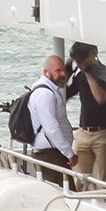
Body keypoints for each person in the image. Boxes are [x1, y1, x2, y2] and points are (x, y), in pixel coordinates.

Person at [66, 42, 106, 186]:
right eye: (77, 62)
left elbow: (101, 98)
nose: (79, 65)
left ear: (93, 56)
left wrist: (89, 74)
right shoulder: (80, 77)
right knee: (79, 180)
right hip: (83, 132)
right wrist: (66, 75)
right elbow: (64, 95)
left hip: (103, 134)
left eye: (81, 61)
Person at [29, 55, 75, 184]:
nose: (62, 74)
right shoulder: (45, 94)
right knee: (66, 196)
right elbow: (51, 128)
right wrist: (69, 153)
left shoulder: (49, 90)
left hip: (52, 152)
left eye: (63, 70)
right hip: (50, 153)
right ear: (46, 72)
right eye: (57, 71)